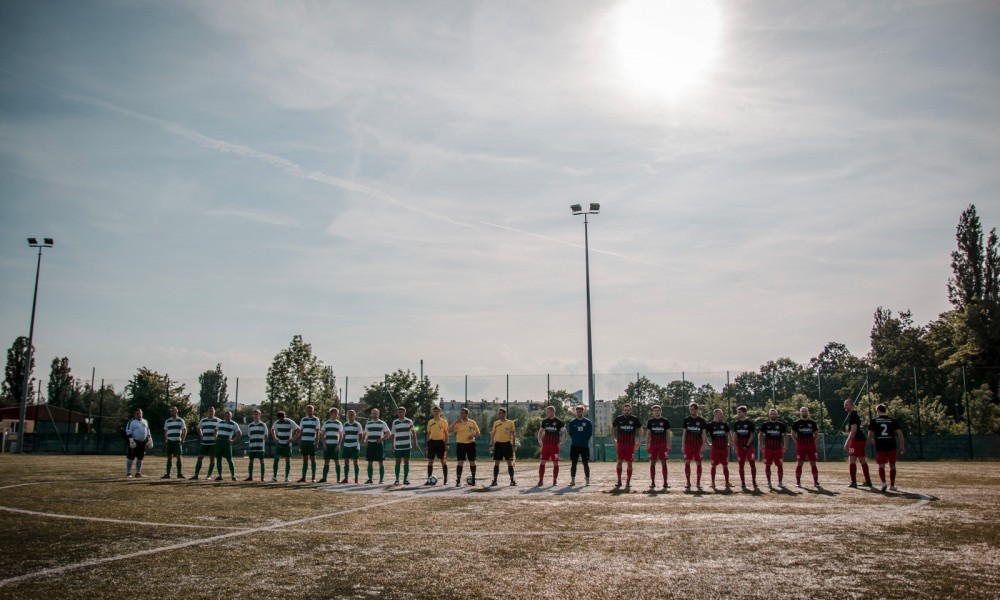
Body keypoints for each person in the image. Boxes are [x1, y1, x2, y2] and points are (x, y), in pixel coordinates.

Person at [868, 404, 905, 492]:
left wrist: (872, 441)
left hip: (880, 445)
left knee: (881, 465)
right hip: (891, 445)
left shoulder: (874, 420)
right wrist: (902, 445)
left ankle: (884, 483)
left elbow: (870, 435)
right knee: (892, 465)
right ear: (885, 410)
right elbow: (900, 433)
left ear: (878, 411)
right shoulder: (892, 420)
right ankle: (892, 485)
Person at [611, 403, 642, 489]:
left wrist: (639, 441)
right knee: (619, 461)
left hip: (630, 445)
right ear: (623, 411)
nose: (627, 411)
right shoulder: (618, 419)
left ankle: (628, 482)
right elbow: (612, 427)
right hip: (620, 444)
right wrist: (613, 438)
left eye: (628, 410)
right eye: (625, 410)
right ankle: (619, 481)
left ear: (631, 410)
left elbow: (641, 429)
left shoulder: (635, 419)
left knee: (629, 463)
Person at [843, 398, 872, 488]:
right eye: (844, 405)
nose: (845, 406)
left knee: (852, 460)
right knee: (862, 460)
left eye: (846, 404)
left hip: (856, 440)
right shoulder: (857, 414)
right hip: (861, 439)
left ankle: (853, 482)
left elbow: (853, 430)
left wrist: (847, 442)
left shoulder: (852, 415)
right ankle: (868, 481)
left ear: (852, 405)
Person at [537, 406, 567, 487]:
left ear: (553, 412)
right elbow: (540, 431)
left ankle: (554, 480)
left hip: (554, 445)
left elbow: (565, 432)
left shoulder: (559, 422)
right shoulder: (545, 421)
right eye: (547, 412)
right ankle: (540, 480)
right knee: (542, 462)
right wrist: (539, 440)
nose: (547, 413)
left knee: (555, 463)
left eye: (548, 412)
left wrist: (562, 442)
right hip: (546, 445)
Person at [450, 407, 481, 487]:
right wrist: (456, 422)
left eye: (462, 413)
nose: (461, 414)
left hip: (471, 444)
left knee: (472, 462)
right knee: (460, 462)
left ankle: (473, 479)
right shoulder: (458, 422)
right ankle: (458, 481)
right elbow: (449, 430)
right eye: (460, 413)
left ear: (466, 414)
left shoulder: (472, 422)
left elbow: (478, 433)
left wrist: (473, 435)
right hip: (460, 444)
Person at [791, 406, 820, 488]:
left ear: (808, 412)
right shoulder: (796, 423)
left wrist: (812, 441)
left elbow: (817, 434)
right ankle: (798, 482)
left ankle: (816, 481)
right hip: (801, 446)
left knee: (813, 463)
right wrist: (798, 443)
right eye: (803, 411)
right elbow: (793, 435)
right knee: (800, 463)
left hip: (811, 446)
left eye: (805, 411)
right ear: (800, 413)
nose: (804, 412)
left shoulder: (813, 423)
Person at [758, 408, 788, 489]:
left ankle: (780, 482)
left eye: (774, 414)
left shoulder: (781, 425)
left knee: (780, 465)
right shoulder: (765, 424)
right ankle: (769, 481)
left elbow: (785, 435)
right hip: (768, 448)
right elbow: (760, 434)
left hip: (778, 448)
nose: (773, 415)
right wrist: (761, 445)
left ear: (777, 415)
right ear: (769, 415)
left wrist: (785, 445)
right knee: (768, 465)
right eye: (772, 413)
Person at [681, 402, 708, 490]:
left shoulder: (701, 420)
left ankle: (698, 482)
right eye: (690, 409)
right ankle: (688, 482)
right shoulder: (686, 419)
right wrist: (683, 445)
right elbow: (684, 433)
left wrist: (703, 446)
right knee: (687, 462)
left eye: (692, 409)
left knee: (698, 463)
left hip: (698, 445)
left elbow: (704, 434)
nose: (691, 411)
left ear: (696, 410)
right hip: (688, 445)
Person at [644, 404, 671, 490]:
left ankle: (665, 482)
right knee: (652, 463)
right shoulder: (650, 421)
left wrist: (669, 444)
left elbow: (668, 434)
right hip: (653, 445)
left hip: (662, 445)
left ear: (660, 411)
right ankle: (652, 482)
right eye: (655, 411)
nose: (656, 412)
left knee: (664, 462)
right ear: (653, 412)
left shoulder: (665, 421)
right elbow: (648, 434)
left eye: (658, 410)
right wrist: (647, 444)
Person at [391, 407, 420, 485]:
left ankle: (405, 479)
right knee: (398, 462)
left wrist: (414, 443)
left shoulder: (409, 421)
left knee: (406, 462)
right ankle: (397, 479)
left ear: (405, 413)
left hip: (407, 445)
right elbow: (393, 434)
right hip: (398, 445)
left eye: (401, 412)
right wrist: (393, 444)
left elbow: (414, 433)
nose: (400, 413)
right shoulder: (395, 422)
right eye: (399, 412)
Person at [490, 407, 517, 486]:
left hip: (507, 444)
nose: (499, 414)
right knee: (496, 463)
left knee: (509, 463)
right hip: (498, 444)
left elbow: (513, 434)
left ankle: (512, 481)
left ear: (504, 414)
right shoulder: (496, 423)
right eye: (498, 413)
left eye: (500, 413)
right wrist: (491, 445)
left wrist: (514, 445)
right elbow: (493, 435)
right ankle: (495, 481)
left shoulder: (510, 423)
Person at [567, 405, 593, 486]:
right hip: (574, 446)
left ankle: (587, 480)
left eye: (580, 411)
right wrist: (576, 439)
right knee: (573, 463)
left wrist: (584, 440)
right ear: (576, 412)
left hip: (584, 446)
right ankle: (573, 480)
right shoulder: (572, 422)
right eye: (578, 411)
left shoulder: (588, 422)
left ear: (583, 411)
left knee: (585, 463)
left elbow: (590, 433)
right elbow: (570, 433)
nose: (579, 412)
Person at [363, 408, 391, 484]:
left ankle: (381, 479)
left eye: (376, 413)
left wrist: (382, 439)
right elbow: (365, 434)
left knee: (380, 461)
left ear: (378, 414)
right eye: (373, 413)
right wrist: (365, 441)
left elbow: (388, 433)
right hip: (370, 444)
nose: (374, 414)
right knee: (370, 462)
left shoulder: (382, 423)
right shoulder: (368, 424)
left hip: (378, 445)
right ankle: (370, 479)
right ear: (371, 414)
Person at [732, 406, 757, 489]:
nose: (738, 413)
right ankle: (743, 482)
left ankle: (754, 480)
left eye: (739, 412)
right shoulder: (736, 423)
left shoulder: (750, 423)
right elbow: (735, 435)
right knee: (741, 464)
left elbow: (752, 435)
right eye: (738, 412)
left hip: (749, 447)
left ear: (744, 412)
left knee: (752, 463)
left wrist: (747, 445)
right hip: (740, 447)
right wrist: (735, 445)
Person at [706, 408, 731, 489]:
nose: (721, 415)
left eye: (722, 414)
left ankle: (727, 482)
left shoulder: (724, 424)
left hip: (724, 448)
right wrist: (708, 443)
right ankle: (713, 482)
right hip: (715, 449)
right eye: (720, 414)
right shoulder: (710, 425)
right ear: (715, 414)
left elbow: (729, 433)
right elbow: (704, 434)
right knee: (713, 466)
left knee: (725, 465)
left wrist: (730, 443)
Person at [193, 407, 220, 480]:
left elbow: (221, 428)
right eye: (209, 411)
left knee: (212, 459)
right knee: (199, 458)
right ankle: (196, 475)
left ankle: (209, 475)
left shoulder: (218, 421)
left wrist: (217, 437)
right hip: (204, 442)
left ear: (214, 412)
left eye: (212, 411)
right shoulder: (203, 420)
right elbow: (199, 428)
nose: (211, 412)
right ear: (207, 412)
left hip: (213, 443)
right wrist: (201, 435)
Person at [271, 411, 299, 482]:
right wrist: (274, 438)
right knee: (276, 460)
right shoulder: (277, 422)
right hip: (279, 444)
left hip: (287, 445)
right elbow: (272, 430)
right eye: (280, 418)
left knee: (288, 461)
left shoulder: (290, 422)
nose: (282, 419)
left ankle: (286, 477)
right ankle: (274, 477)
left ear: (285, 416)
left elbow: (299, 430)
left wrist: (293, 439)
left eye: (283, 417)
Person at [214, 410, 242, 481]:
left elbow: (239, 433)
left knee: (229, 459)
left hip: (227, 442)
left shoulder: (234, 424)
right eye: (226, 415)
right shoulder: (220, 422)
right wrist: (215, 437)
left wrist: (233, 441)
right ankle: (220, 475)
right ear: (224, 416)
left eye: (229, 416)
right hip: (219, 441)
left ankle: (233, 476)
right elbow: (215, 430)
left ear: (231, 416)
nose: (227, 417)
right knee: (218, 459)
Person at [425, 405, 449, 485]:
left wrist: (446, 443)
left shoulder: (444, 422)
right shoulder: (430, 421)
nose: (436, 413)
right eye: (434, 411)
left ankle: (445, 480)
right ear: (433, 412)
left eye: (437, 411)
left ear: (440, 412)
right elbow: (428, 433)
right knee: (430, 461)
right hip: (432, 443)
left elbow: (446, 433)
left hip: (441, 443)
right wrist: (427, 444)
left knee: (443, 461)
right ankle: (429, 479)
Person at [125, 408, 152, 479]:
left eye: (140, 413)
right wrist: (131, 440)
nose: (139, 415)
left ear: (142, 414)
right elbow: (128, 431)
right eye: (137, 413)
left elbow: (148, 431)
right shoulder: (132, 421)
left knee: (140, 458)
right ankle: (128, 473)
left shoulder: (145, 421)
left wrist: (149, 440)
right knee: (131, 457)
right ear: (135, 414)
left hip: (142, 442)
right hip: (134, 441)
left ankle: (138, 473)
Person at [297, 404, 321, 483]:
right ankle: (303, 477)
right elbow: (300, 432)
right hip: (304, 442)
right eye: (308, 410)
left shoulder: (316, 420)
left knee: (313, 460)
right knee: (305, 460)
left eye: (311, 410)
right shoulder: (303, 420)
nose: (310, 411)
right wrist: (299, 443)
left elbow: (317, 433)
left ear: (313, 411)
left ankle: (313, 478)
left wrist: (316, 443)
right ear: (306, 411)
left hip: (311, 442)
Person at [161, 405, 187, 479]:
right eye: (171, 411)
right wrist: (165, 439)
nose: (172, 412)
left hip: (177, 441)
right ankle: (168, 474)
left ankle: (179, 473)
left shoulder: (181, 420)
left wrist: (183, 439)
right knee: (169, 457)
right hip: (170, 441)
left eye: (173, 410)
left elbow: (184, 430)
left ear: (177, 411)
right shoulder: (168, 421)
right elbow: (165, 431)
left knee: (179, 457)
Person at [319, 407, 343, 483]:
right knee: (326, 462)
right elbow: (323, 434)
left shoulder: (339, 423)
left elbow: (341, 435)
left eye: (337, 413)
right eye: (335, 413)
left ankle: (338, 479)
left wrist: (338, 445)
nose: (336, 415)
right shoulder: (326, 423)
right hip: (327, 445)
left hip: (335, 445)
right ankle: (324, 478)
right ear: (331, 413)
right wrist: (324, 444)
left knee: (337, 461)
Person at [340, 410, 363, 483]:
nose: (350, 416)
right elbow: (343, 435)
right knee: (346, 462)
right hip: (346, 446)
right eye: (349, 414)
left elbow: (361, 436)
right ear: (347, 416)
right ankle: (346, 478)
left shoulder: (358, 425)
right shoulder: (345, 425)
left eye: (352, 414)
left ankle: (356, 479)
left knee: (355, 463)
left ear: (355, 415)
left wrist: (356, 444)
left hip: (355, 447)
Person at [245, 409, 268, 481]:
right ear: (253, 415)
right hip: (252, 446)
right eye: (254, 414)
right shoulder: (250, 425)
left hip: (260, 446)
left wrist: (262, 442)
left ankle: (262, 477)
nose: (256, 416)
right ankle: (250, 476)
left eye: (257, 414)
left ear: (259, 415)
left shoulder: (263, 424)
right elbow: (249, 435)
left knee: (262, 460)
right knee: (251, 460)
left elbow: (266, 435)